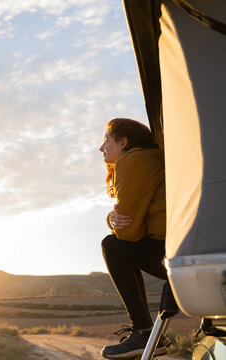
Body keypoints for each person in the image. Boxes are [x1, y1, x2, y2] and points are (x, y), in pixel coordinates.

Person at [98, 118, 169, 359]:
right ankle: (144, 331)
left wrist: (111, 220)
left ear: (124, 142)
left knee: (111, 245)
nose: (101, 147)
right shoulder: (153, 158)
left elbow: (128, 233)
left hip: (170, 252)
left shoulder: (132, 161)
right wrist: (112, 217)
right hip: (182, 245)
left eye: (107, 140)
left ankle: (143, 331)